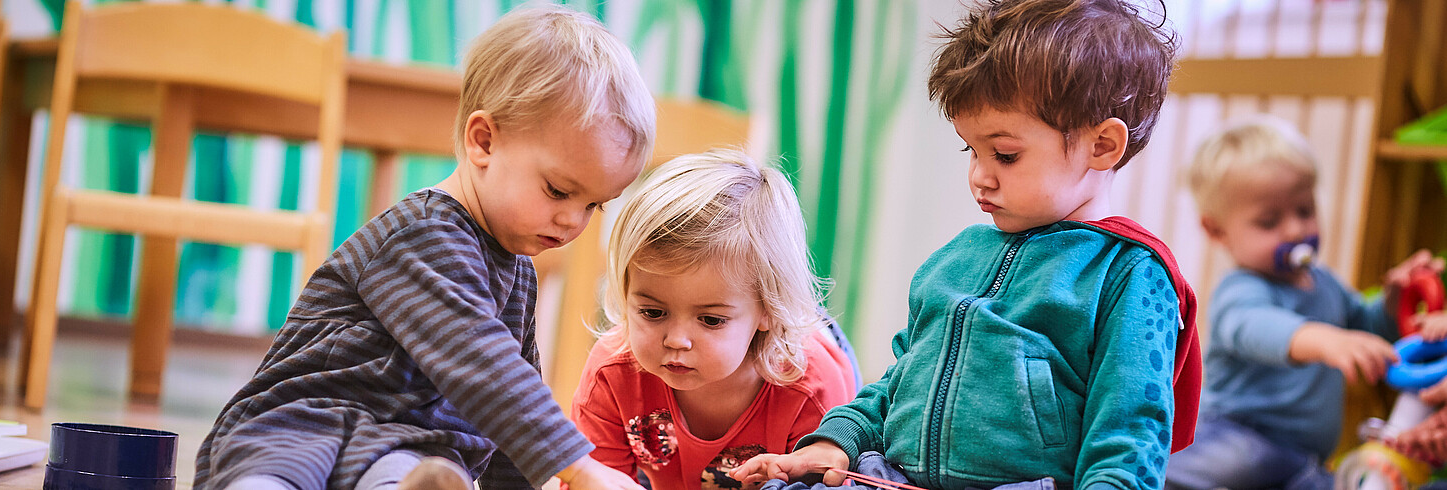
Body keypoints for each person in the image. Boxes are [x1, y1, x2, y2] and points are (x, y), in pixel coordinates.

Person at [731, 0, 1203, 487]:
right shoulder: (958, 257)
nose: (980, 176)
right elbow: (901, 381)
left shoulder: (1129, 273)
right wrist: (836, 441)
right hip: (890, 476)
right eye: (971, 150)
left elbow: (1130, 431)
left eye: (1005, 154)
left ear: (1101, 145)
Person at [194, 6, 656, 490]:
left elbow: (508, 406)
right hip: (305, 422)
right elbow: (485, 367)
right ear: (484, 142)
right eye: (559, 191)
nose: (572, 220)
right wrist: (578, 467)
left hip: (405, 447)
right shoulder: (422, 234)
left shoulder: (516, 271)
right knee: (277, 475)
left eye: (593, 206)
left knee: (419, 475)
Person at [1165, 117, 1442, 489]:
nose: (1295, 230)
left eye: (1305, 210)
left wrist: (1393, 303)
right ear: (1217, 231)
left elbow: (1367, 327)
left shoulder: (1324, 282)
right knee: (1199, 469)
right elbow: (1255, 328)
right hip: (1239, 434)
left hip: (1303, 458)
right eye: (1269, 221)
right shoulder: (1240, 289)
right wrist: (1323, 340)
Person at [571, 149, 860, 490]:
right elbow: (592, 479)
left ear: (767, 308)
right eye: (652, 312)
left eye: (710, 320)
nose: (676, 339)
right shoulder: (612, 372)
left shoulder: (811, 389)